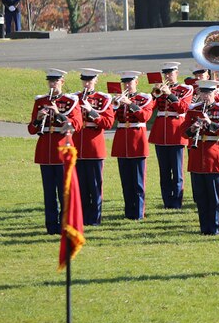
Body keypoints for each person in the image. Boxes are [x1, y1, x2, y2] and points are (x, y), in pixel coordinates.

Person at [29, 69, 83, 234]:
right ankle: (51, 227)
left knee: (64, 192)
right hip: (45, 152)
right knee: (49, 193)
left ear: (62, 82)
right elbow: (31, 129)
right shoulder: (41, 101)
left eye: (56, 81)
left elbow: (77, 125)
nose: (53, 84)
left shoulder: (71, 101)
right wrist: (39, 118)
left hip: (62, 151)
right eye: (50, 81)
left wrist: (59, 114)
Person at [183, 80, 219, 235]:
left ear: (214, 94)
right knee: (200, 196)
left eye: (209, 93)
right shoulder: (194, 109)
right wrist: (192, 128)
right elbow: (182, 131)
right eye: (203, 93)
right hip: (197, 157)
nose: (206, 96)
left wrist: (211, 123)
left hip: (214, 157)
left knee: (214, 196)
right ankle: (204, 227)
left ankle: (215, 227)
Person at [149, 62, 194, 209]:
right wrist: (153, 95)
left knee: (177, 170)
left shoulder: (185, 89)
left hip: (176, 132)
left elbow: (183, 108)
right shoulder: (160, 89)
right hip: (161, 132)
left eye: (171, 73)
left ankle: (177, 201)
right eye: (166, 73)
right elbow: (150, 109)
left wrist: (170, 94)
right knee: (164, 170)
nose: (168, 76)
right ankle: (167, 201)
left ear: (177, 73)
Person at [73, 68, 115, 225]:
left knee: (95, 186)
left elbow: (108, 123)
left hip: (94, 148)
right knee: (81, 186)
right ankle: (82, 217)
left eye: (90, 80)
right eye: (84, 80)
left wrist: (92, 112)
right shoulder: (75, 98)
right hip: (77, 147)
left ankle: (95, 218)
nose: (87, 83)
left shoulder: (103, 99)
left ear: (96, 80)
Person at [111, 71, 154, 220]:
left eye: (130, 83)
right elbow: (111, 120)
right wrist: (114, 106)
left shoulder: (145, 98)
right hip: (122, 141)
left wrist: (130, 104)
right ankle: (129, 212)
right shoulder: (119, 99)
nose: (127, 86)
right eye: (125, 83)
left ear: (136, 82)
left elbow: (145, 116)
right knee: (126, 181)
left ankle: (139, 213)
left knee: (138, 181)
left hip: (137, 141)